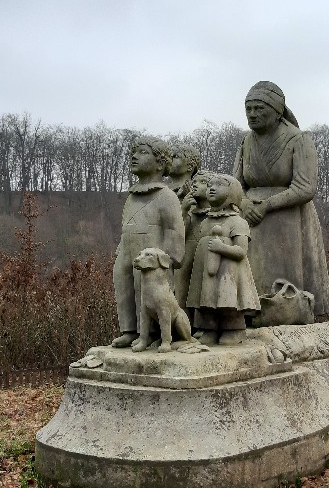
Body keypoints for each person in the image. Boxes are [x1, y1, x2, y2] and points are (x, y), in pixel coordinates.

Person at [233, 81, 329, 319]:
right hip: (250, 220)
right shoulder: (246, 142)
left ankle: (288, 315)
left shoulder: (299, 139)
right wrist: (244, 203)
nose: (252, 114)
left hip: (289, 221)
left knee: (287, 284)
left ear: (277, 111)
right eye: (248, 109)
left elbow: (305, 187)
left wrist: (266, 206)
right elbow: (235, 184)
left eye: (259, 108)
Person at [111, 136, 185, 350]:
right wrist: (121, 248)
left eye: (143, 152)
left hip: (152, 253)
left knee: (146, 291)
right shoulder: (131, 197)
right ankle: (129, 330)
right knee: (124, 285)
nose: (134, 156)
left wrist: (169, 258)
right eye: (134, 152)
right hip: (128, 249)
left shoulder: (166, 196)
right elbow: (126, 224)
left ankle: (153, 333)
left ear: (160, 163)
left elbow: (174, 229)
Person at [186, 174, 261, 345]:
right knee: (206, 301)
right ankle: (209, 329)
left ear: (233, 192)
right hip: (207, 273)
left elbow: (241, 251)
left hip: (229, 273)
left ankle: (234, 329)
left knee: (228, 301)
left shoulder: (238, 222)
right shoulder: (205, 222)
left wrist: (221, 248)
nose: (212, 188)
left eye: (219, 185)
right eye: (210, 185)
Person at [175, 169, 213, 307]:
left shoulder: (216, 214)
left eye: (203, 182)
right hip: (186, 260)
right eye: (194, 181)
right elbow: (178, 234)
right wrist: (183, 210)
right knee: (181, 296)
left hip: (207, 261)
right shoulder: (189, 213)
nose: (195, 184)